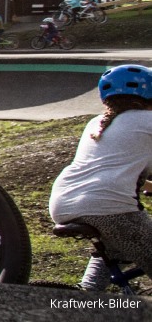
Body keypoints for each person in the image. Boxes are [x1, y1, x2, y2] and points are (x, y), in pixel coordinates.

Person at [49, 64, 152, 292]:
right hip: (109, 208)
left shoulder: (95, 124)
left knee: (114, 247)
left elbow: (112, 168)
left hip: (64, 202)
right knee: (126, 232)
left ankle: (87, 297)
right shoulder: (147, 121)